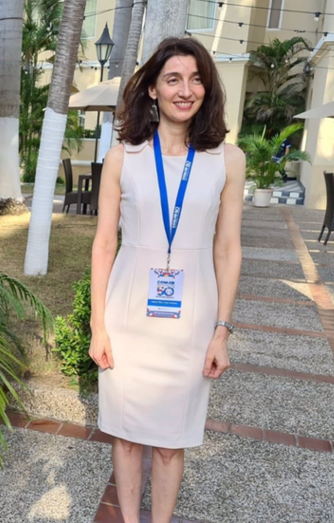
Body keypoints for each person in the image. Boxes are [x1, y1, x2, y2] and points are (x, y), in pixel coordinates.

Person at [88, 37, 244, 523]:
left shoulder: (228, 160)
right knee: (128, 435)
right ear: (152, 90)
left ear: (207, 88)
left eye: (196, 79)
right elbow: (104, 245)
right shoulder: (124, 158)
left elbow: (227, 248)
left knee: (173, 443)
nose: (185, 90)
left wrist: (222, 329)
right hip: (129, 313)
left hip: (192, 321)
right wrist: (98, 326)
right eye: (173, 79)